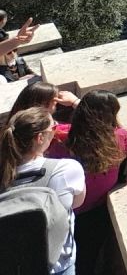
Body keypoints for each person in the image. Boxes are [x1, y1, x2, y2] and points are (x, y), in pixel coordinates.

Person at [49, 90, 127, 275]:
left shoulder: (59, 137)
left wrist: (77, 105)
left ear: (80, 114)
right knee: (88, 259)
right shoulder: (120, 137)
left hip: (65, 212)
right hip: (97, 212)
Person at [2, 106, 85, 275]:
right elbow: (77, 202)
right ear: (40, 137)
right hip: (58, 265)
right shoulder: (66, 169)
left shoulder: (3, 174)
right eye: (53, 127)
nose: (55, 129)